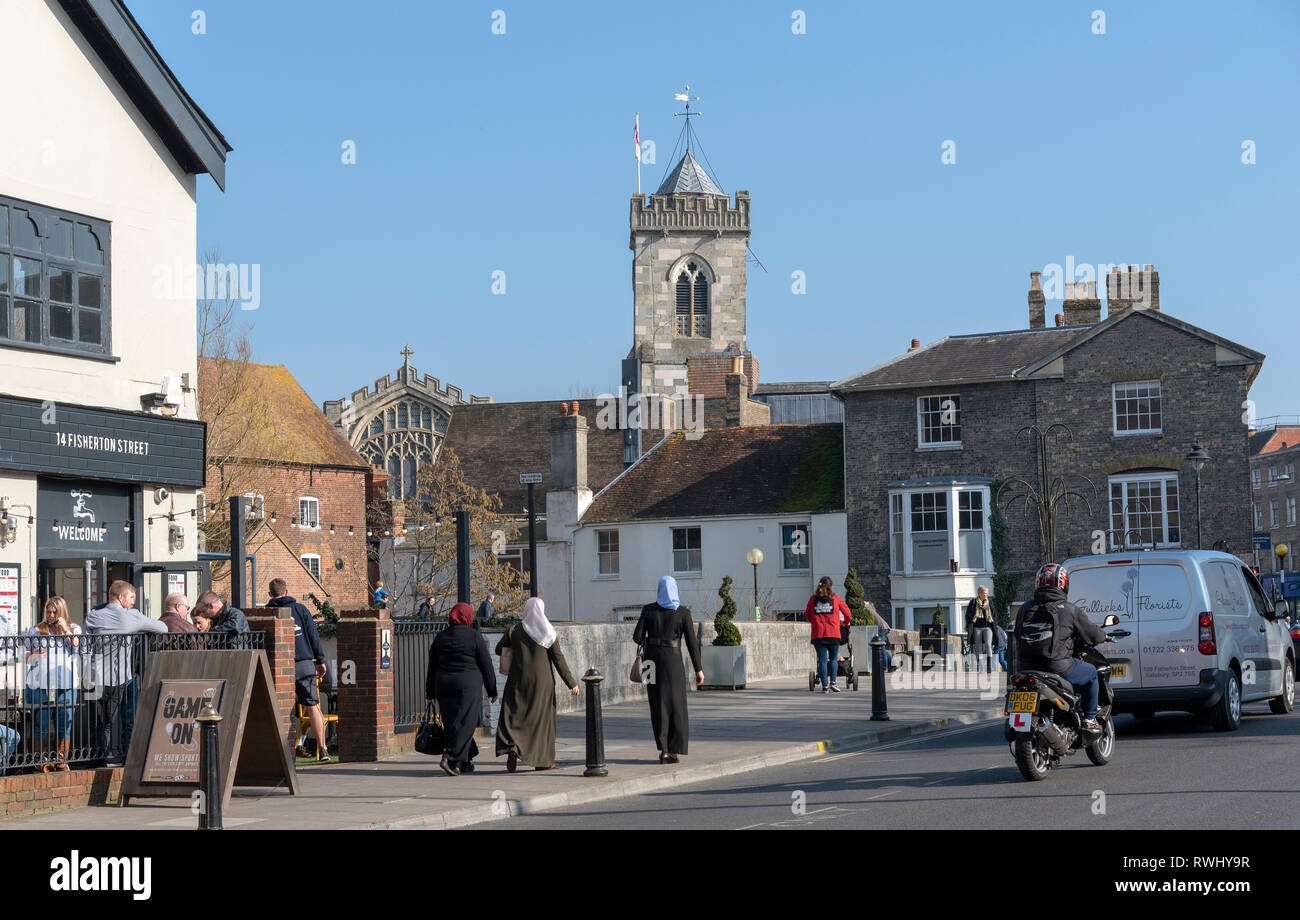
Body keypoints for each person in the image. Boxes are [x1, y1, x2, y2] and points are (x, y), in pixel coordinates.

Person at [1013, 563, 1108, 732]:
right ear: (1063, 585)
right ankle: (1089, 719)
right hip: (1058, 667)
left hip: (1025, 668)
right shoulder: (1070, 610)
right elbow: (1093, 634)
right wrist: (1104, 636)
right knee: (1092, 673)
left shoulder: (1024, 608)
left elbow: (1016, 636)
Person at [85, 580, 166, 764]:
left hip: (92, 675)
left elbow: (84, 645)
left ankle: (98, 758)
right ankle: (125, 756)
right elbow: (163, 628)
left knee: (97, 722)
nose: (133, 602)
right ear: (120, 597)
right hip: (118, 676)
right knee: (114, 719)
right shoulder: (133, 616)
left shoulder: (93, 615)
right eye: (131, 597)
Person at [495, 597, 579, 772]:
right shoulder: (548, 632)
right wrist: (571, 683)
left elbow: (498, 649)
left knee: (514, 715)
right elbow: (558, 659)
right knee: (542, 721)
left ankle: (512, 747)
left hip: (518, 679)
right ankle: (543, 762)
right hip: (542, 682)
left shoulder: (514, 630)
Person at [632, 576, 703, 764]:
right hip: (673, 661)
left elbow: (637, 637)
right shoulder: (683, 613)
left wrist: (651, 639)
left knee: (657, 705)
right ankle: (673, 751)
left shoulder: (648, 610)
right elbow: (691, 644)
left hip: (651, 663)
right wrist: (698, 669)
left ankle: (663, 750)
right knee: (676, 705)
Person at [425, 602, 496, 776]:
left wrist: (430, 693)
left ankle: (463, 761)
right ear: (468, 617)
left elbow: (432, 666)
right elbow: (486, 664)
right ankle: (449, 757)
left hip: (444, 684)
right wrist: (492, 689)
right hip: (467, 684)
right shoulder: (474, 636)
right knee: (466, 723)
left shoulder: (440, 637)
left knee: (451, 723)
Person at [267, 578, 330, 762]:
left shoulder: (268, 611)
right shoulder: (301, 609)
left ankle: (284, 753)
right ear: (286, 592)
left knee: (283, 708)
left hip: (281, 667)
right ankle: (323, 748)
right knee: (312, 706)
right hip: (304, 664)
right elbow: (313, 635)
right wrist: (320, 659)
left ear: (270, 594)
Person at [25, 596, 81, 771]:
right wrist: (33, 652)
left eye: (54, 612)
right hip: (39, 683)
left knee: (64, 723)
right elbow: (23, 654)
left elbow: (77, 647)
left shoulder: (73, 628)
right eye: (48, 611)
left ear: (62, 612)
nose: (50, 615)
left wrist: (65, 629)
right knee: (41, 722)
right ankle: (39, 761)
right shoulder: (36, 630)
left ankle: (61, 760)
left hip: (66, 682)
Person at [804, 576, 852, 692]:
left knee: (822, 660)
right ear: (831, 586)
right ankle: (833, 682)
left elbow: (808, 616)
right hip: (833, 633)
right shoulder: (836, 599)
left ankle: (824, 686)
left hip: (818, 634)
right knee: (833, 659)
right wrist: (844, 623)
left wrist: (815, 622)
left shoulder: (812, 600)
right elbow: (848, 614)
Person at [966, 586, 995, 673]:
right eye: (984, 593)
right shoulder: (973, 602)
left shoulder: (990, 602)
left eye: (987, 593)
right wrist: (969, 624)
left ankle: (989, 666)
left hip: (987, 627)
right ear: (979, 593)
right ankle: (981, 665)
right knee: (978, 646)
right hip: (976, 627)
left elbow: (994, 614)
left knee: (988, 644)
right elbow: (967, 614)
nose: (986, 595)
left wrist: (994, 623)